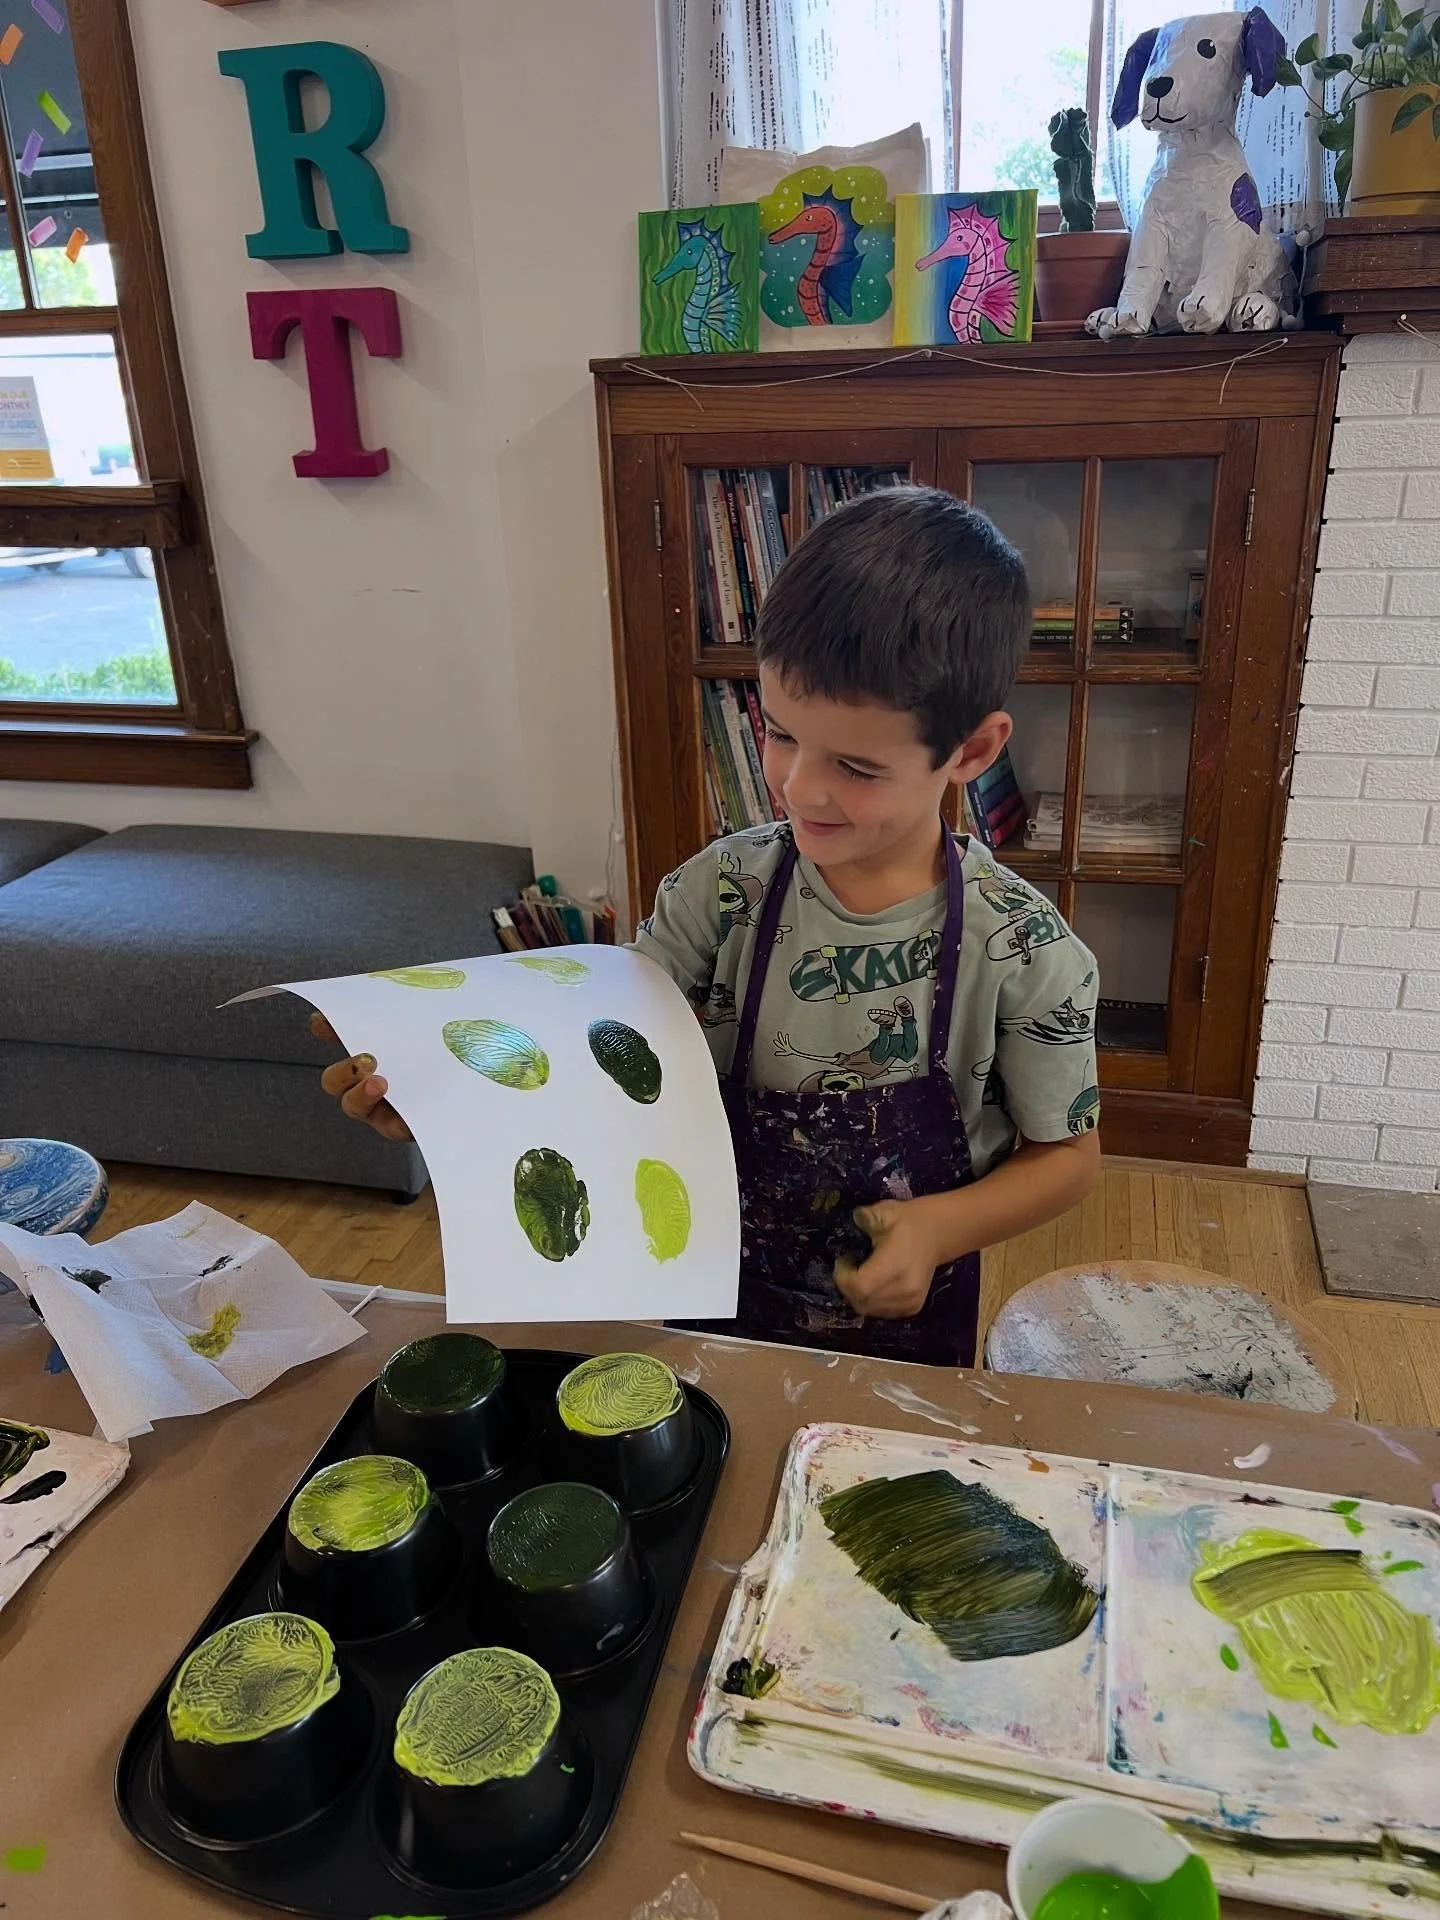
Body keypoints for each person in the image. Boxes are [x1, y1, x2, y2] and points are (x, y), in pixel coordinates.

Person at [317, 486, 1100, 1367]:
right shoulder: (720, 892)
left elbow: (1066, 1160)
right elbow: (600, 1052)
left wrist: (939, 1227)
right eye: (780, 733)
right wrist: (445, 1101)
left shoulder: (1026, 950)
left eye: (855, 765)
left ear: (973, 752)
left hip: (900, 1331)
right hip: (699, 1292)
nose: (801, 787)